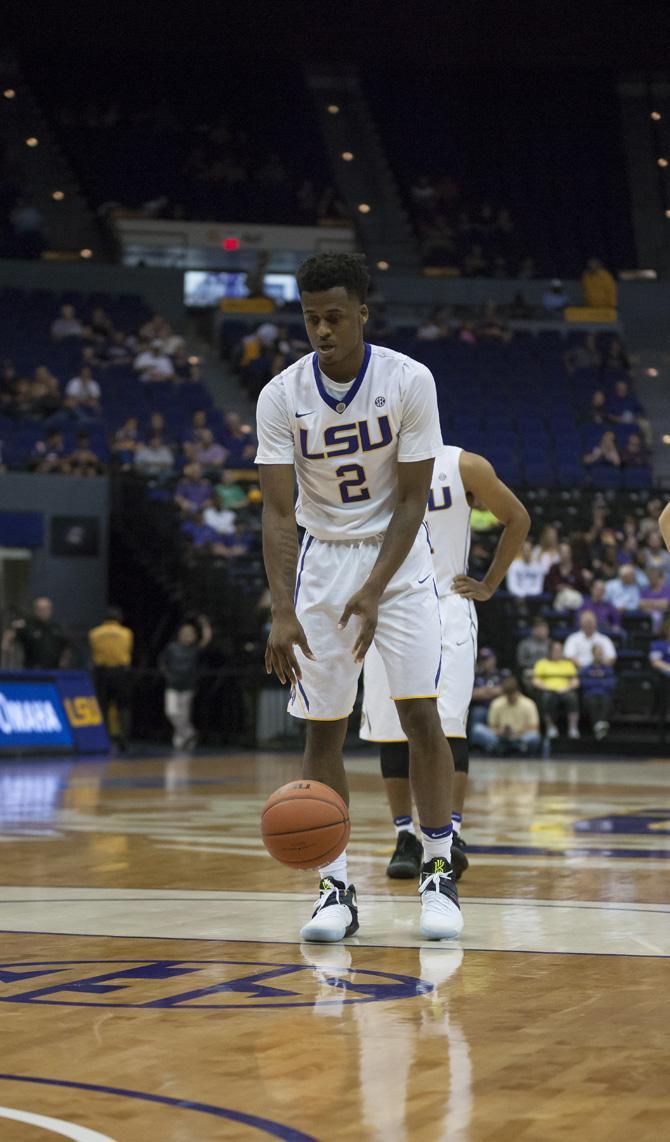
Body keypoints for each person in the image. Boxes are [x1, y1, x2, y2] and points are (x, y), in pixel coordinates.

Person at [255, 251, 463, 942]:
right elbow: (278, 515)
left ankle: (438, 868)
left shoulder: (409, 380)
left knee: (420, 717)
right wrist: (282, 608)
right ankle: (335, 887)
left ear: (363, 313)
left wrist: (376, 588)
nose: (322, 329)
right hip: (322, 565)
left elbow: (411, 501)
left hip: (398, 566)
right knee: (323, 727)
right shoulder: (282, 395)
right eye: (312, 317)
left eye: (335, 316)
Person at [360, 441, 530, 880]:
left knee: (448, 722)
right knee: (391, 727)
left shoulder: (464, 465)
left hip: (446, 605)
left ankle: (450, 832)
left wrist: (489, 584)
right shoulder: (370, 465)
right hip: (390, 606)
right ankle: (405, 836)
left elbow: (518, 519)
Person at [161, 617, 211, 749]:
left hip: (188, 686)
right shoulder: (172, 647)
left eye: (191, 635)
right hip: (173, 685)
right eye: (186, 634)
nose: (188, 637)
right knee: (171, 711)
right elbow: (162, 662)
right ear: (180, 635)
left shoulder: (194, 649)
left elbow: (206, 640)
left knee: (184, 715)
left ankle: (181, 741)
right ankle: (190, 733)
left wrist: (205, 625)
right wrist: (167, 674)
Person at [89, 608, 134, 750]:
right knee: (123, 706)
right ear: (119, 619)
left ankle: (103, 738)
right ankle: (124, 737)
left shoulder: (94, 633)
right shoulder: (126, 633)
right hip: (120, 672)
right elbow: (128, 649)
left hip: (102, 673)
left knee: (103, 706)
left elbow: (94, 650)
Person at [470, 676, 541, 755]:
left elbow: (534, 727)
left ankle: (508, 748)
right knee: (478, 729)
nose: (510, 697)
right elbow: (492, 726)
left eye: (512, 694)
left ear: (517, 691)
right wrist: (501, 732)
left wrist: (516, 733)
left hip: (520, 737)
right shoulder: (496, 703)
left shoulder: (528, 704)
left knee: (534, 736)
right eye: (508, 695)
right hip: (500, 737)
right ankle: (513, 748)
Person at [2, 597, 69, 669]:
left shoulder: (56, 628)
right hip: (32, 671)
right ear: (35, 610)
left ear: (50, 610)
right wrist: (6, 643)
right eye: (40, 609)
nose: (42, 611)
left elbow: (66, 646)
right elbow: (10, 634)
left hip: (53, 670)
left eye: (45, 609)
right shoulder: (28, 625)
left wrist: (64, 661)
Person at [532, 640, 580, 739]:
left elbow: (575, 681)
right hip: (548, 690)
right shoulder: (542, 663)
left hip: (565, 690)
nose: (558, 653)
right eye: (555, 650)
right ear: (550, 651)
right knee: (546, 697)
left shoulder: (568, 664)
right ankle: (551, 727)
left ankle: (573, 728)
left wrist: (567, 688)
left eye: (560, 650)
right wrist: (548, 688)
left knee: (572, 697)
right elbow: (535, 681)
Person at [579, 644, 616, 740]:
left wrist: (595, 681)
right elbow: (584, 683)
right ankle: (600, 727)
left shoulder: (608, 669)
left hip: (604, 694)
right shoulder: (586, 669)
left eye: (600, 653)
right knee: (592, 701)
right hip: (590, 694)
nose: (599, 655)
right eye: (597, 653)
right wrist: (600, 681)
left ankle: (598, 726)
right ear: (592, 654)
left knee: (606, 701)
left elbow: (611, 684)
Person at [516, 618, 551, 689]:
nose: (541, 631)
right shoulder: (524, 644)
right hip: (531, 671)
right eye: (539, 628)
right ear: (533, 630)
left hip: (549, 671)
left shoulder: (551, 644)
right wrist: (536, 667)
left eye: (544, 628)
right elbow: (521, 662)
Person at [639, 567, 670, 632]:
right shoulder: (645, 589)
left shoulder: (666, 589)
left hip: (664, 615)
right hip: (646, 613)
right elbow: (641, 604)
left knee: (657, 616)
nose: (652, 578)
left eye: (654, 577)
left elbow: (665, 604)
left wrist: (648, 603)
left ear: (659, 578)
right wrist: (657, 604)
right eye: (650, 577)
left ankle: (657, 635)